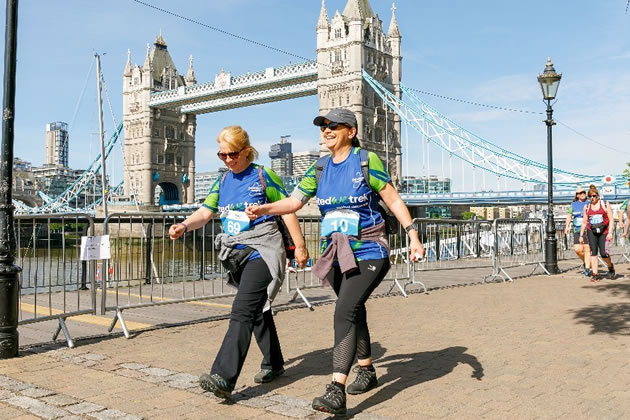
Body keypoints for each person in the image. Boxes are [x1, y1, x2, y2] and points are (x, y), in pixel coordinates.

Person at [245, 108, 425, 415]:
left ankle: (336, 389)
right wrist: (266, 209)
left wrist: (412, 234)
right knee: (354, 311)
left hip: (370, 249)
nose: (326, 130)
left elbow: (392, 199)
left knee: (344, 311)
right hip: (336, 253)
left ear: (351, 132)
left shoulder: (366, 160)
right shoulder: (319, 168)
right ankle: (366, 370)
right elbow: (295, 202)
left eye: (333, 126)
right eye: (323, 126)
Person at [168, 125, 309, 399]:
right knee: (257, 308)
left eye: (232, 154)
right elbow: (206, 212)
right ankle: (274, 363)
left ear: (246, 151)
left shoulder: (262, 174)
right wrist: (184, 226)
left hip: (263, 251)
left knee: (242, 310)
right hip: (236, 253)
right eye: (222, 155)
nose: (228, 160)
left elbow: (288, 208)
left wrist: (300, 246)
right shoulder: (222, 181)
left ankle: (224, 376)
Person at [579, 185, 615, 282]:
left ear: (598, 196)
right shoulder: (587, 207)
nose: (592, 198)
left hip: (604, 231)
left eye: (594, 196)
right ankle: (595, 274)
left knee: (604, 253)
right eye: (590, 196)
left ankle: (610, 266)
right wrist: (581, 235)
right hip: (592, 231)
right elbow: (584, 222)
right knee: (593, 253)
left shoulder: (605, 204)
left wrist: (610, 232)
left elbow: (611, 219)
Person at [564, 186, 591, 276]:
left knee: (587, 249)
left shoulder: (589, 202)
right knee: (577, 249)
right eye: (580, 193)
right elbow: (569, 216)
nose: (582, 194)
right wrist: (567, 226)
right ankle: (586, 261)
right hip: (577, 229)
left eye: (583, 192)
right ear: (577, 195)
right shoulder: (573, 205)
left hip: (588, 229)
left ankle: (587, 268)